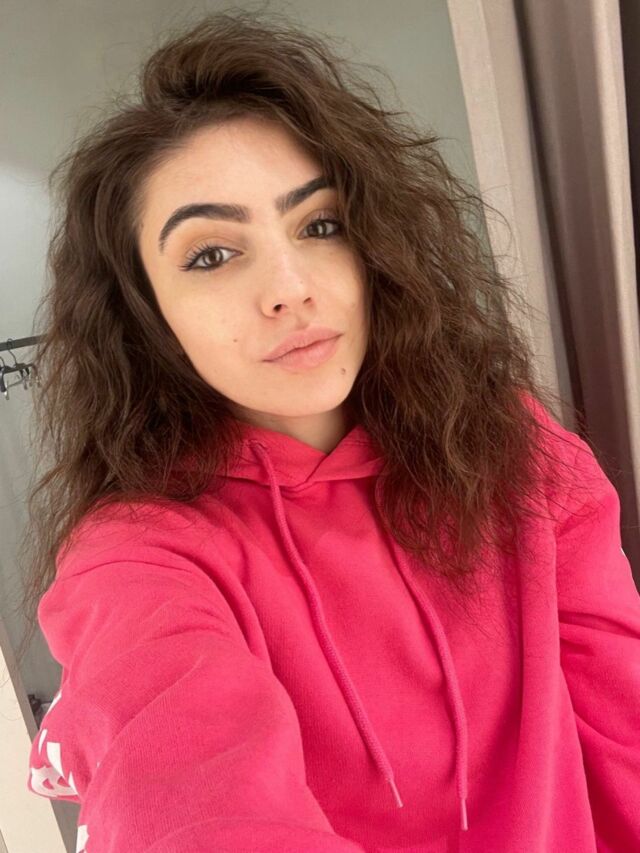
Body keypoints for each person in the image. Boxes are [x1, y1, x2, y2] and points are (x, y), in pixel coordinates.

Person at [15, 8, 640, 852]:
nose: (290, 287)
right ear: (148, 317)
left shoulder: (510, 446)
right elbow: (194, 810)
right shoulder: (137, 558)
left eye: (320, 225)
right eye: (210, 254)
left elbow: (624, 727)